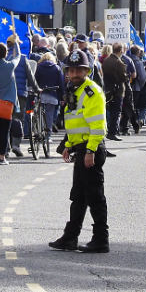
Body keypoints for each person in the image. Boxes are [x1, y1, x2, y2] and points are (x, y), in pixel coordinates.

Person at [48, 50, 109, 254]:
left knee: (95, 197)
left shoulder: (92, 91)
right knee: (79, 197)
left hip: (91, 149)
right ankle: (70, 237)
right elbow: (76, 122)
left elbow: (97, 126)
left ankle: (101, 238)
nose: (74, 74)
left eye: (78, 71)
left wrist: (90, 150)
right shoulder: (74, 90)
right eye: (71, 70)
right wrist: (68, 144)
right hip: (81, 148)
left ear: (87, 71)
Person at [0, 42, 20, 164]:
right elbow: (18, 56)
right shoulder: (10, 66)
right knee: (5, 130)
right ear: (6, 53)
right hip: (7, 103)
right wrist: (16, 43)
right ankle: (1, 156)